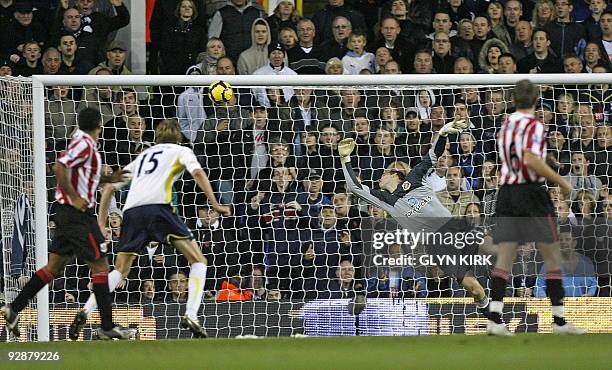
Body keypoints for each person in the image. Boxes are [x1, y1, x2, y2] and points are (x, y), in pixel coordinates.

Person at [68, 119, 231, 339]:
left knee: (119, 271)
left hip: (132, 214)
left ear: (156, 138)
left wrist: (100, 223)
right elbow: (199, 173)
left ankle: (85, 311)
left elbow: (108, 188)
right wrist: (215, 203)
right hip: (158, 209)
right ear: (179, 136)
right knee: (198, 260)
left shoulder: (143, 156)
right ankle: (191, 313)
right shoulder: (180, 150)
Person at [1, 108, 134, 340]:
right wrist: (74, 197)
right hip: (77, 215)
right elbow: (60, 166)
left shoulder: (84, 144)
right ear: (98, 126)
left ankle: (14, 309)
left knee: (53, 268)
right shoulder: (83, 143)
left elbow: (82, 174)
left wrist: (108, 179)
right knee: (101, 266)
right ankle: (107, 326)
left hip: (67, 214)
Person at [338, 117, 491, 314]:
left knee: (495, 248)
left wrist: (443, 133)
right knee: (476, 290)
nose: (381, 176)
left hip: (455, 227)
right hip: (438, 245)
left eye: (386, 172)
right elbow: (355, 188)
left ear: (396, 175)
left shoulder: (415, 177)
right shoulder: (386, 200)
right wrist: (345, 159)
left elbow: (433, 156)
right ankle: (492, 317)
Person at [487, 79, 586, 336]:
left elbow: (516, 157)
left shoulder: (506, 126)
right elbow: (530, 160)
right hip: (531, 193)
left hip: (507, 193)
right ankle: (559, 321)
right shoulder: (534, 125)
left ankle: (495, 318)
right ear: (536, 98)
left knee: (505, 257)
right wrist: (562, 182)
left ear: (513, 99)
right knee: (552, 255)